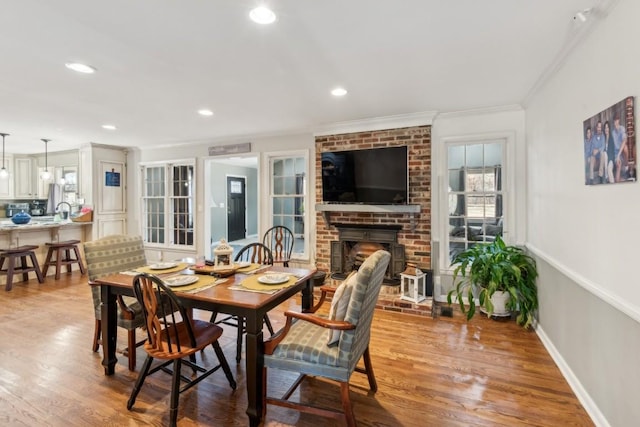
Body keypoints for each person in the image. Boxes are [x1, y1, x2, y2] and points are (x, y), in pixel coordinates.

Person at [612, 115, 628, 182]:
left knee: (625, 147)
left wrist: (619, 155)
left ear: (619, 120)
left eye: (617, 120)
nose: (616, 122)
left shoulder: (622, 128)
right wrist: (617, 157)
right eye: (614, 120)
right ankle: (619, 180)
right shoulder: (612, 132)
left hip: (621, 153)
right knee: (618, 166)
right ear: (613, 122)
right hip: (616, 154)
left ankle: (626, 166)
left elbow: (624, 140)